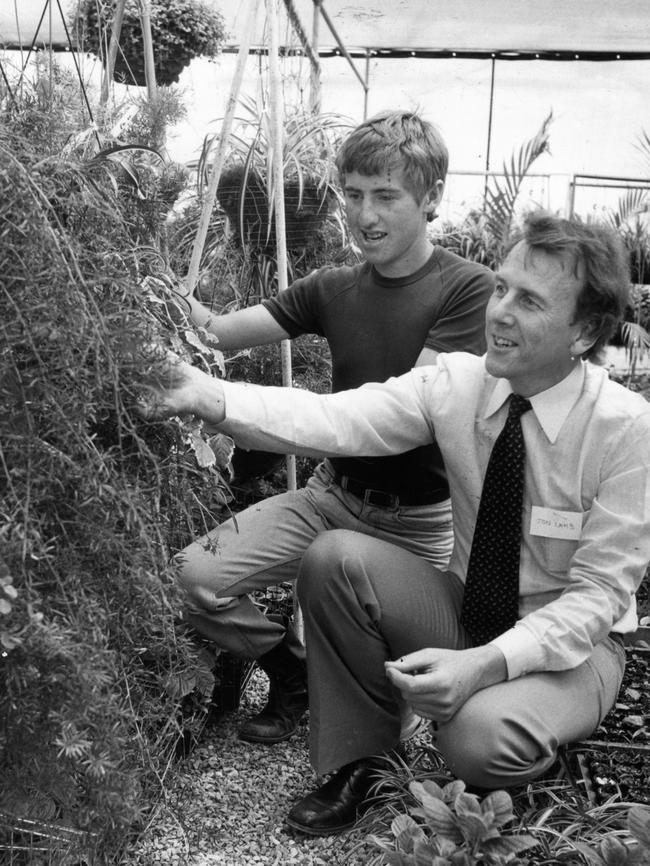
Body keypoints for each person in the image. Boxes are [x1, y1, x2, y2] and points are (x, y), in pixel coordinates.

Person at [140, 212, 650, 836]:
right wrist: (208, 396)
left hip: (577, 647)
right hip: (470, 606)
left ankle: (528, 724)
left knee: (475, 740)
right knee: (334, 558)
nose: (501, 312)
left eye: (531, 300)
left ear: (585, 331)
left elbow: (598, 598)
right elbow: (336, 418)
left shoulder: (626, 431)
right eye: (501, 288)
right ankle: (366, 759)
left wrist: (487, 665)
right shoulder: (458, 385)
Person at [168, 110, 494, 744]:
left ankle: (345, 693)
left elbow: (403, 420)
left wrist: (241, 410)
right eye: (352, 194)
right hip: (331, 497)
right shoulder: (332, 287)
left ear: (431, 199)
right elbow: (217, 332)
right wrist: (145, 286)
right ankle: (288, 671)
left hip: (419, 527)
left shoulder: (468, 291)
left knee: (386, 709)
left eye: (386, 196)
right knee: (191, 578)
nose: (364, 215)